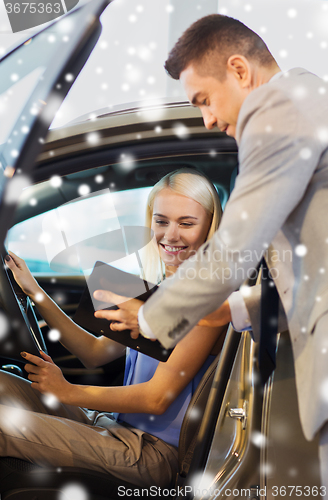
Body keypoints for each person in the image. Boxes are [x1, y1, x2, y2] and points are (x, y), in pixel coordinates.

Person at [93, 14, 328, 496]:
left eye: (203, 100)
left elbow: (235, 244)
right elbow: (313, 274)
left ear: (240, 71)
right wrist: (233, 308)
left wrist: (153, 318)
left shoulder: (281, 105)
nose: (208, 119)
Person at [1, 168, 227, 488]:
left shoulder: (208, 304)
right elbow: (94, 353)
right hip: (114, 427)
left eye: (187, 223)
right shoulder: (160, 289)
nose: (170, 235)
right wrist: (35, 292)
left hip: (151, 453)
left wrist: (66, 390)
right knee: (4, 383)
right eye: (161, 221)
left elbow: (157, 399)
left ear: (209, 228)